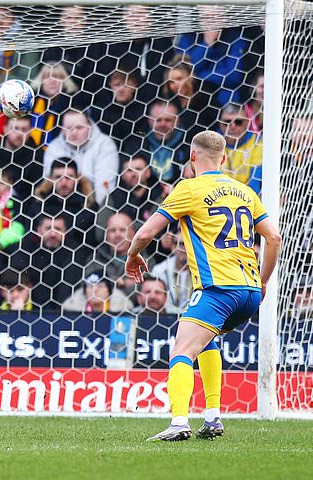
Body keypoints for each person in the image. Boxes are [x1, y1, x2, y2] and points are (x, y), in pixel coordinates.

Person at [125, 131, 281, 441]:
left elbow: (146, 233)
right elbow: (274, 237)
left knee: (182, 350)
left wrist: (132, 256)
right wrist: (262, 282)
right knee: (205, 340)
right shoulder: (244, 190)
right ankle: (212, 417)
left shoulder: (189, 188)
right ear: (224, 159)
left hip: (217, 288)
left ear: (192, 157)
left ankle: (179, 422)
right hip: (249, 291)